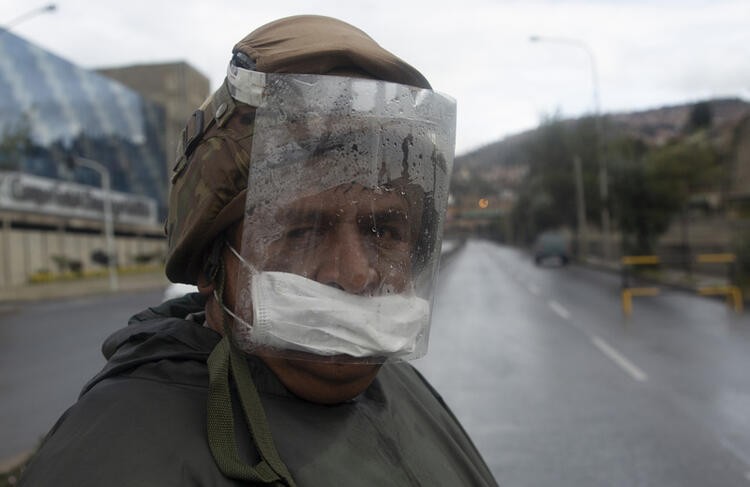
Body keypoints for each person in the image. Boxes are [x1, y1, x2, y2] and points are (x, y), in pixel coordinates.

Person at [19, 15, 498, 486]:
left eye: (385, 231)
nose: (354, 275)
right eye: (302, 230)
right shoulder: (113, 457)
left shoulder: (398, 388)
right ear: (212, 261)